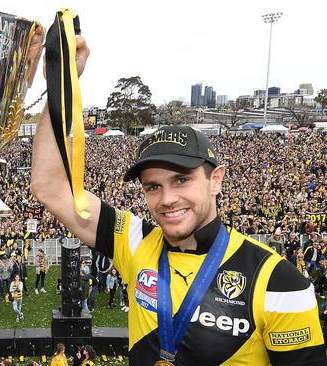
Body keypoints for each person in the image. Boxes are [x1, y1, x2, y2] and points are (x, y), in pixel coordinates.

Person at [30, 35, 325, 365]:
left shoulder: (279, 281)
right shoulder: (135, 241)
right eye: (153, 186)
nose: (167, 199)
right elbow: (49, 187)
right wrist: (61, 84)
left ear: (216, 179)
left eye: (182, 180)